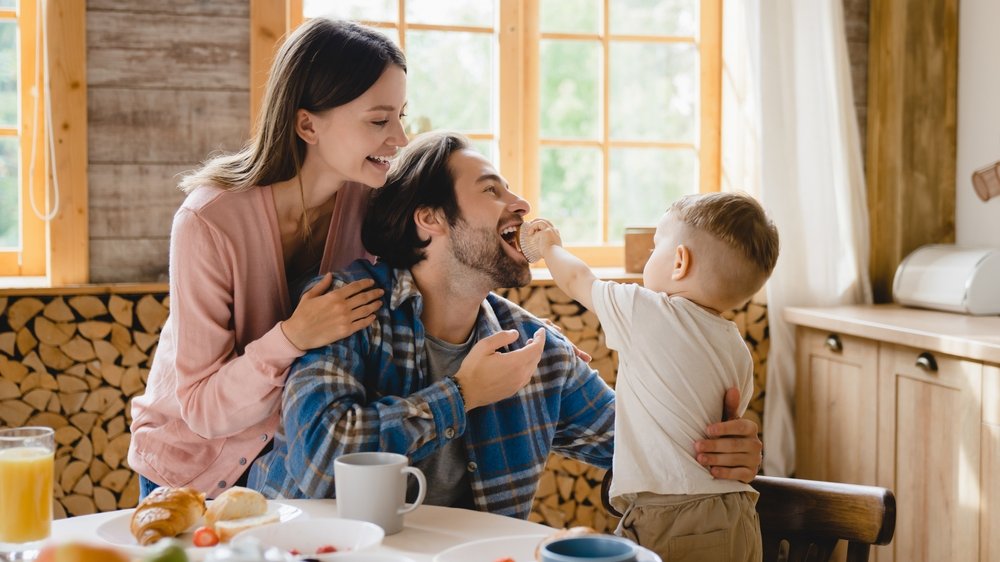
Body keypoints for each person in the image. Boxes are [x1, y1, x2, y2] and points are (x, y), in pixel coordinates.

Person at [248, 131, 764, 519]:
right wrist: (461, 394)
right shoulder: (346, 307)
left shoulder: (539, 352)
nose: (520, 204)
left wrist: (719, 456)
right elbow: (320, 465)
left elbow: (635, 447)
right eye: (491, 190)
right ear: (430, 218)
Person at [128, 18, 407, 498]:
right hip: (188, 473)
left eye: (403, 116)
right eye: (380, 120)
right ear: (307, 124)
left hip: (289, 471)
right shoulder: (207, 221)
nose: (399, 138)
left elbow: (437, 265)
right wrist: (295, 336)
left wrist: (537, 338)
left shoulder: (371, 201)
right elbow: (202, 408)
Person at [524, 191, 779, 560]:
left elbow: (579, 279)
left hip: (673, 514)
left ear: (679, 262)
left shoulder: (645, 310)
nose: (649, 257)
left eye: (654, 247)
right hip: (737, 513)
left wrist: (550, 247)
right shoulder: (736, 346)